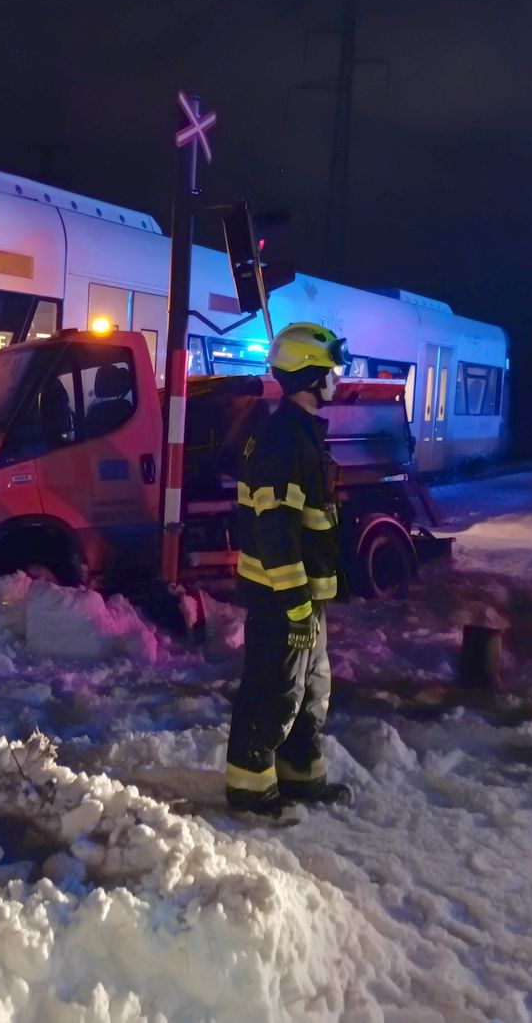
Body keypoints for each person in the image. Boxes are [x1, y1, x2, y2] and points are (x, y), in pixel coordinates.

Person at [226, 322, 354, 814]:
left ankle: (301, 774)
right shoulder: (284, 442)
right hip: (283, 597)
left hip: (302, 599)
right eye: (332, 369)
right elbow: (275, 533)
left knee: (309, 690)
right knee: (273, 690)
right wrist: (296, 604)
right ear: (309, 374)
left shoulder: (300, 435)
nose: (338, 377)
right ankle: (250, 790)